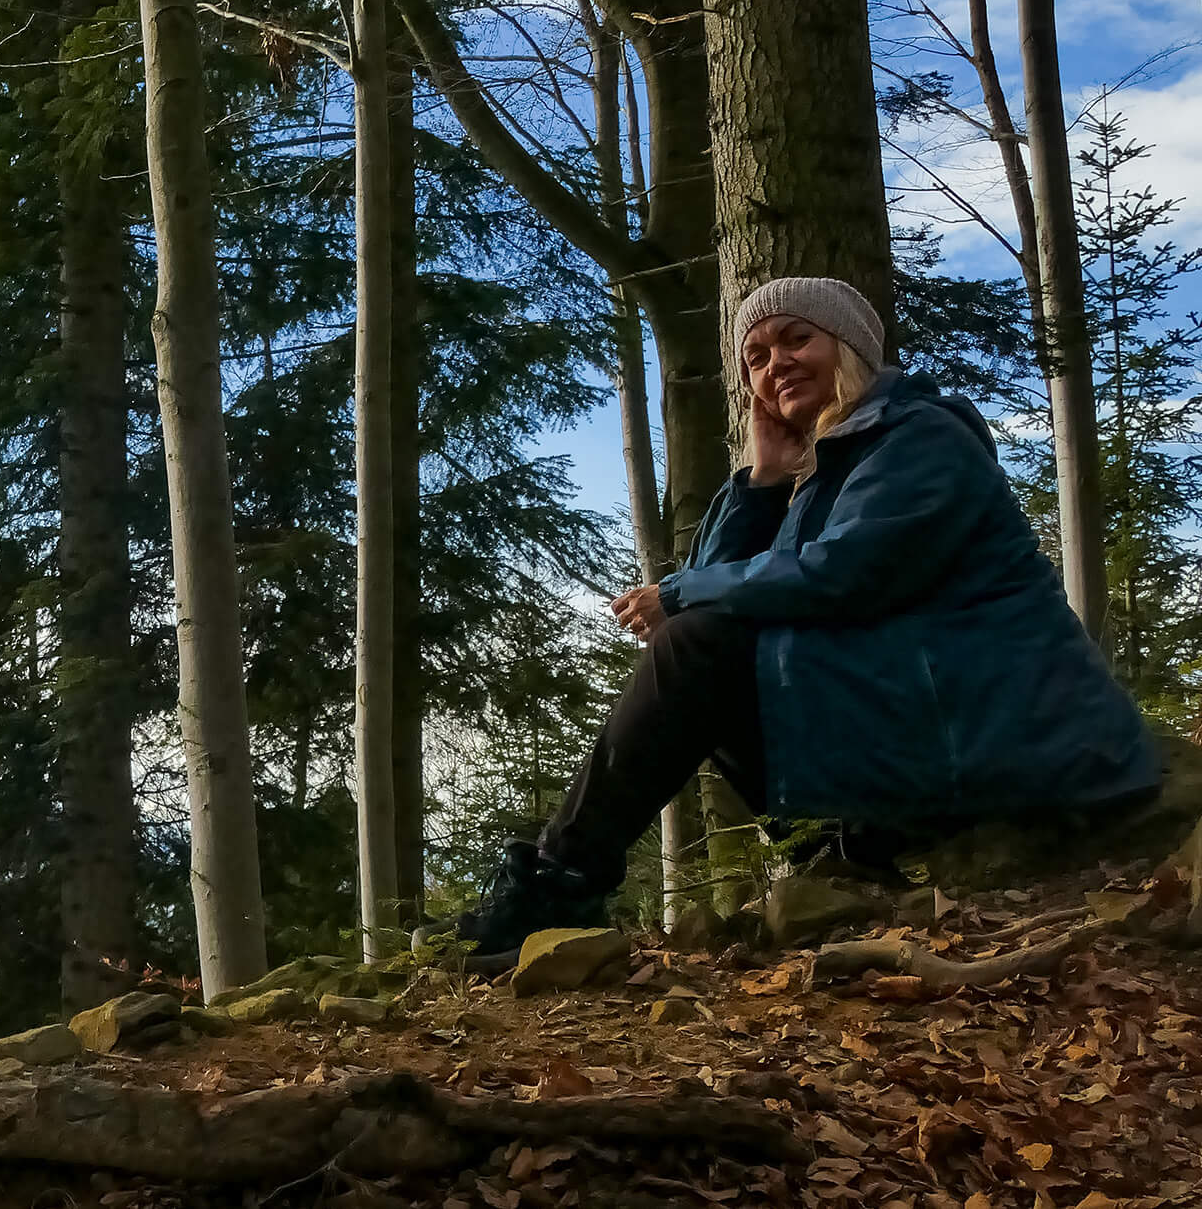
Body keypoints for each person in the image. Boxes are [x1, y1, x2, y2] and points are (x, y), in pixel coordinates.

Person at [427, 276, 1160, 960]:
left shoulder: (920, 437)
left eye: (794, 339)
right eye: (755, 357)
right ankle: (825, 850)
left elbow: (845, 574)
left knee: (704, 645)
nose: (775, 363)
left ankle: (560, 880)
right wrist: (763, 478)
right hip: (930, 716)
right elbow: (723, 597)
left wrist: (681, 592)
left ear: (849, 345)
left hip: (1006, 723)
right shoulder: (827, 466)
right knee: (705, 645)